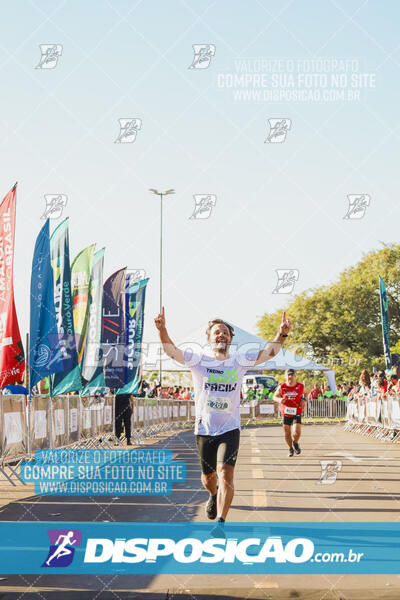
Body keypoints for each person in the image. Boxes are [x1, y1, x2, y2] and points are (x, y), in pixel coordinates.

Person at [154, 306, 291, 528]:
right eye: (217, 331)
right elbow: (172, 352)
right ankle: (212, 493)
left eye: (225, 332)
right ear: (209, 338)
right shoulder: (198, 360)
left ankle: (221, 522)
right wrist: (162, 330)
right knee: (209, 478)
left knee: (226, 475)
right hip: (205, 429)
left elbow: (269, 353)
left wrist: (282, 334)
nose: (221, 334)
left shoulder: (239, 360)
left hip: (230, 428)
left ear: (230, 338)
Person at [273, 369, 306, 457]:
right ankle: (290, 448)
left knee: (297, 432)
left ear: (295, 376)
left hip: (296, 411)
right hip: (286, 412)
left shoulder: (300, 386)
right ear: (285, 376)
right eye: (288, 375)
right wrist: (279, 399)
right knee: (287, 433)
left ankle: (295, 443)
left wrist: (304, 399)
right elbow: (274, 396)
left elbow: (306, 393)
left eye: (292, 375)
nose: (290, 376)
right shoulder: (282, 387)